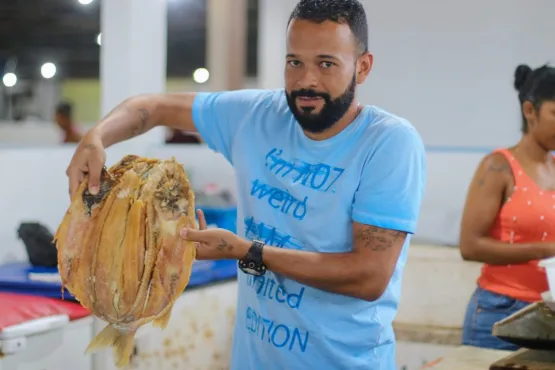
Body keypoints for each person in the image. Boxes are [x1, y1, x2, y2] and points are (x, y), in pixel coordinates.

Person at [65, 0, 426, 368]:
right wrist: (96, 137)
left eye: (326, 63)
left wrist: (247, 252)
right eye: (294, 62)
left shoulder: (388, 143)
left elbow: (369, 277)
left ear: (362, 67)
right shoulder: (256, 117)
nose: (306, 81)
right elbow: (152, 107)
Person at [459, 63, 555, 350]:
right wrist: (545, 250)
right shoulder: (498, 167)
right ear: (530, 111)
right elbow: (470, 246)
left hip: (547, 313)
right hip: (500, 312)